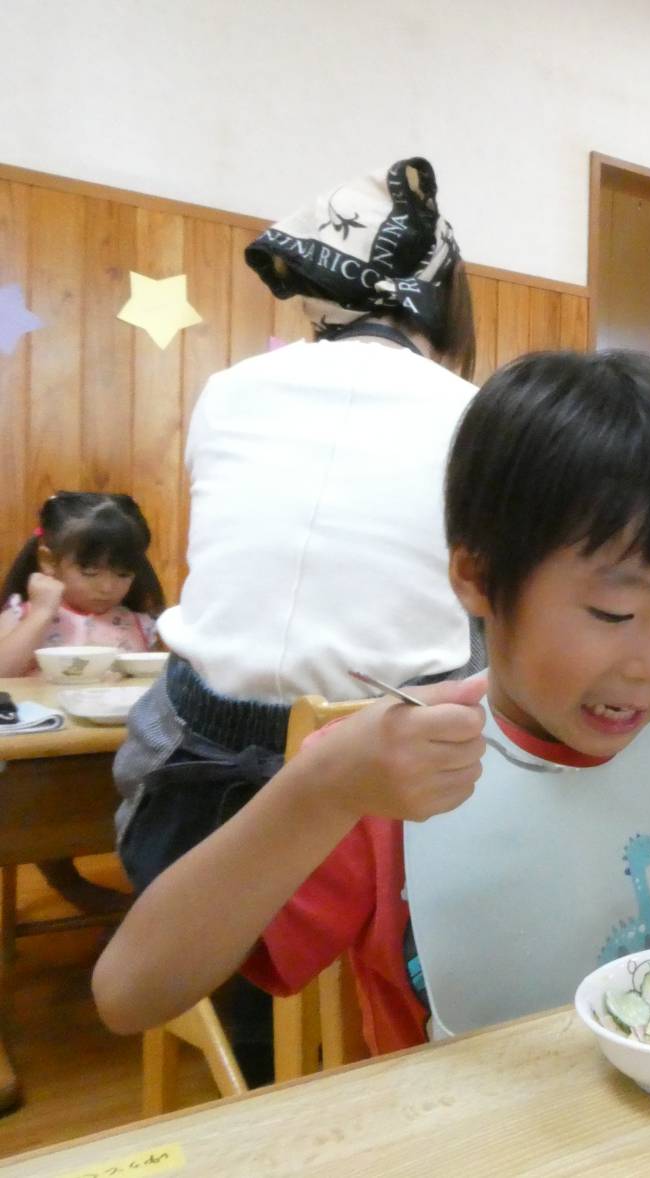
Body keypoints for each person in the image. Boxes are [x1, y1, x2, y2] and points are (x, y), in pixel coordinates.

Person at [92, 350, 650, 1051]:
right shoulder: (388, 777)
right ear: (478, 577)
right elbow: (130, 992)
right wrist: (319, 791)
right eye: (614, 614)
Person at [111, 157, 483, 1080]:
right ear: (443, 303)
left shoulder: (229, 388)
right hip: (384, 800)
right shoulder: (477, 415)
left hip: (179, 804)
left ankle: (248, 1056)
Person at [0, 492, 163, 914]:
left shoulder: (133, 622)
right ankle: (67, 881)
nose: (107, 586)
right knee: (43, 812)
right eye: (90, 571)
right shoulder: (26, 614)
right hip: (42, 760)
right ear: (49, 561)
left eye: (123, 573)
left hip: (117, 752)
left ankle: (152, 902)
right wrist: (42, 612)